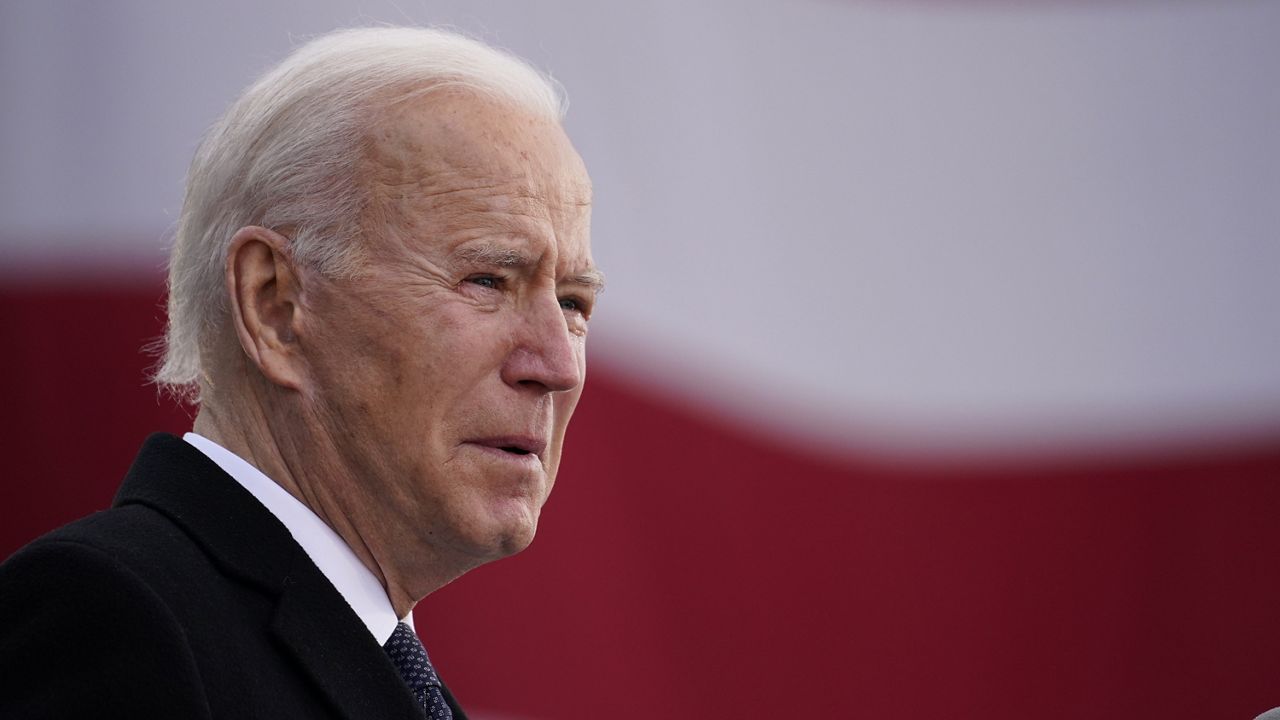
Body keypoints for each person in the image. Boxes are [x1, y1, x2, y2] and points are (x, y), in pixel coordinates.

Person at [0, 26, 601, 719]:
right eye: (487, 280)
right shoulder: (109, 618)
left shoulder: (395, 677)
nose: (557, 366)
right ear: (276, 305)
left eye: (573, 302)